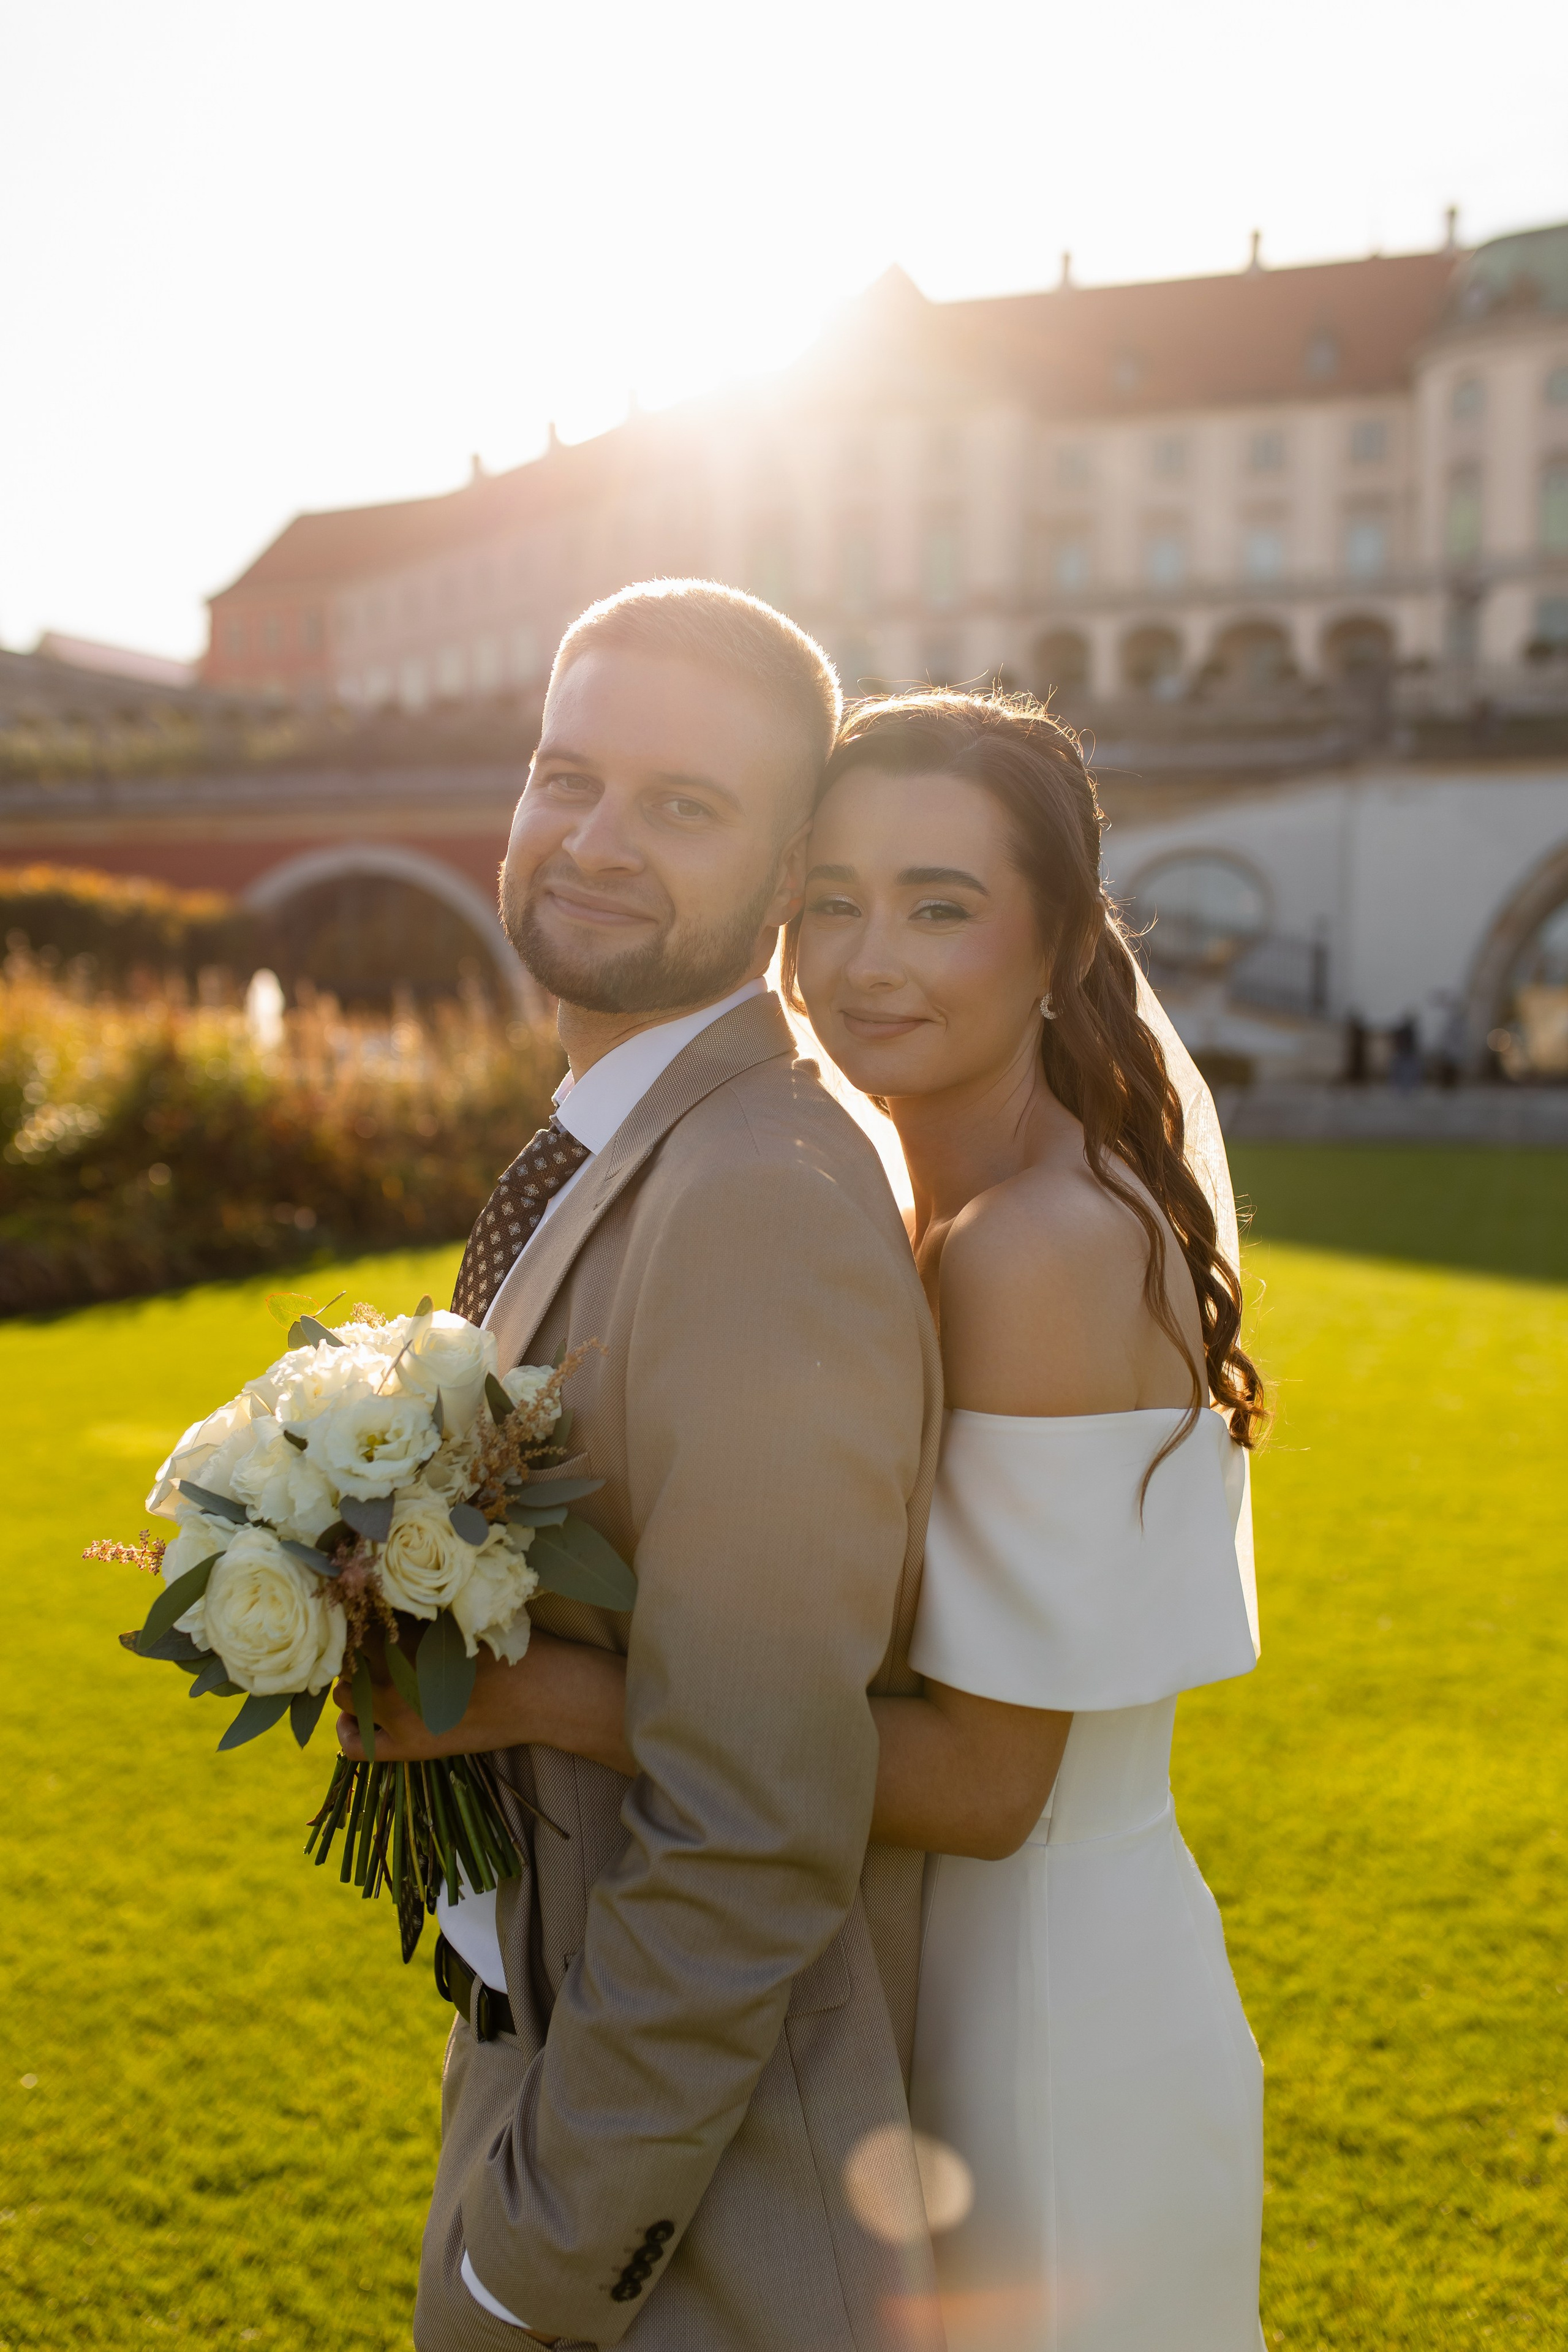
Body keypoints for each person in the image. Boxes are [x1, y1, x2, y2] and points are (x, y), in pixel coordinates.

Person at [349, 676, 1270, 2348]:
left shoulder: (1040, 1247)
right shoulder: (919, 1201)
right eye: (832, 902)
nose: (867, 963)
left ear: (1064, 943)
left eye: (940, 908)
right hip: (899, 1973)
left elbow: (990, 1787)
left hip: (1031, 2001)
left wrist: (541, 1693)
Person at [376, 580, 947, 2352]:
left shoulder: (760, 1193)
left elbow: (754, 1818)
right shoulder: (623, 1138)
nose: (598, 841)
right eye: (570, 777)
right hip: (546, 2052)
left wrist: (540, 2256)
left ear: (786, 878)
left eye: (683, 806)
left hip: (690, 2221)